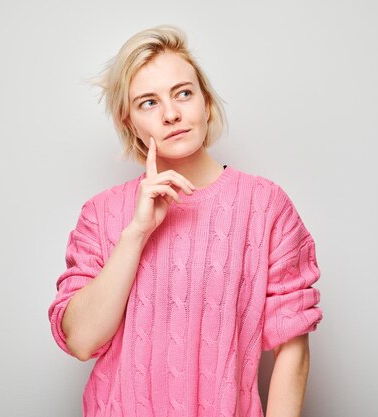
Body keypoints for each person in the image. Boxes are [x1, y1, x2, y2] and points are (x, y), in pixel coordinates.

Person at [48, 24, 323, 417]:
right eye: (148, 102)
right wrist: (137, 233)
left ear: (206, 103)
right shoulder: (101, 214)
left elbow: (293, 349)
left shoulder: (265, 206)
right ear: (130, 124)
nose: (172, 113)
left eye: (183, 93)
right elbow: (81, 341)